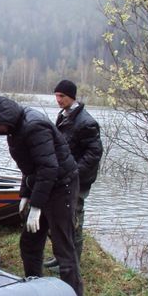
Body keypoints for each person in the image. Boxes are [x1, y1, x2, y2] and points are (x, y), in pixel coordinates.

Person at [0, 95, 85, 296]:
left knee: (63, 248)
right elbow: (30, 167)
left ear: (5, 117)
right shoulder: (15, 128)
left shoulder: (34, 126)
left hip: (62, 187)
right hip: (43, 184)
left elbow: (49, 167)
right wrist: (25, 195)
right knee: (29, 243)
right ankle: (37, 294)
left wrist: (37, 205)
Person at [45, 79, 103, 268]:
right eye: (56, 95)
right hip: (63, 177)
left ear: (71, 97)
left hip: (79, 179)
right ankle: (61, 256)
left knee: (74, 218)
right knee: (58, 217)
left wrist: (75, 171)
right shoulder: (64, 116)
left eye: (61, 96)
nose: (58, 99)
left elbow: (94, 152)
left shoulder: (86, 122)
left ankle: (73, 262)